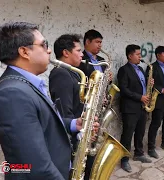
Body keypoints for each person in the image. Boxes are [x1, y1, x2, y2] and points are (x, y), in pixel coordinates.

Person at [0, 22, 99, 180]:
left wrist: (74, 124)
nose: (49, 50)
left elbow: (44, 123)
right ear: (24, 52)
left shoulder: (23, 85)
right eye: (44, 45)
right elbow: (36, 167)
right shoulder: (12, 93)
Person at [49, 34, 95, 180]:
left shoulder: (73, 73)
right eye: (79, 50)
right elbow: (65, 113)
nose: (82, 54)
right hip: (75, 141)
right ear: (66, 52)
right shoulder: (61, 74)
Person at [117, 44, 153, 173]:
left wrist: (149, 83)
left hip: (142, 107)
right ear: (130, 56)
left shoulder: (141, 69)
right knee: (127, 134)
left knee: (140, 131)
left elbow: (142, 85)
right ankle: (124, 159)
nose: (140, 57)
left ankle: (139, 153)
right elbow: (124, 89)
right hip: (130, 107)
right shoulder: (124, 70)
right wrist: (140, 97)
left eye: (140, 54)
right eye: (138, 54)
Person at [147, 46, 164, 159]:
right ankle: (151, 148)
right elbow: (149, 84)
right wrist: (163, 90)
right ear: (158, 55)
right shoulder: (152, 67)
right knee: (155, 124)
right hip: (158, 100)